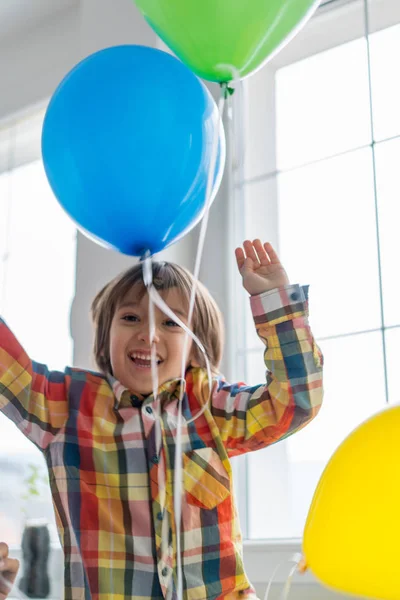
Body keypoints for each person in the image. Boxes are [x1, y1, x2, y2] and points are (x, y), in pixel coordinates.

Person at [0, 239, 323, 600]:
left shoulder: (209, 406)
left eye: (170, 322)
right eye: (130, 317)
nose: (148, 334)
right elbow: (10, 371)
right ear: (106, 337)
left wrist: (275, 305)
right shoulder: (65, 405)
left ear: (196, 346)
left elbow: (296, 402)